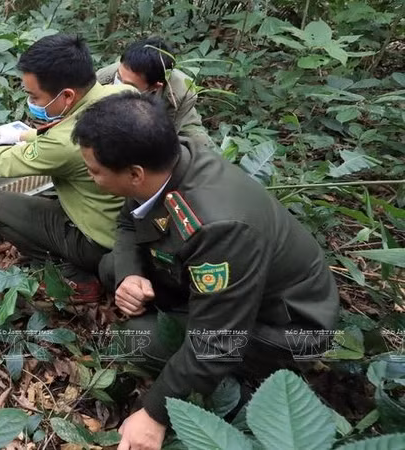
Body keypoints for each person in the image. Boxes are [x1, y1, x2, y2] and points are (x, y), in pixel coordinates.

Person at [70, 91, 340, 450]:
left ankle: (251, 392)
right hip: (223, 292)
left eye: (94, 172)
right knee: (111, 268)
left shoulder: (218, 227)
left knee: (138, 339)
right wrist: (130, 275)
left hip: (284, 327)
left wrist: (155, 414)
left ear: (134, 174)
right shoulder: (166, 163)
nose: (91, 177)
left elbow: (217, 339)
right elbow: (130, 222)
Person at [0, 34, 136, 303]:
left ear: (67, 96)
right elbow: (66, 131)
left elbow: (6, 162)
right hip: (128, 226)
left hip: (98, 242)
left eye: (34, 96)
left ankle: (74, 276)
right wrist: (24, 135)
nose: (31, 103)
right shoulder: (122, 94)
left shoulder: (64, 144)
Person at [96, 36, 214, 151]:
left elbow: (166, 135)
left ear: (155, 86)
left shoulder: (181, 93)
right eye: (118, 77)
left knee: (200, 147)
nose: (119, 86)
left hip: (181, 122)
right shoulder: (101, 79)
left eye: (129, 85)